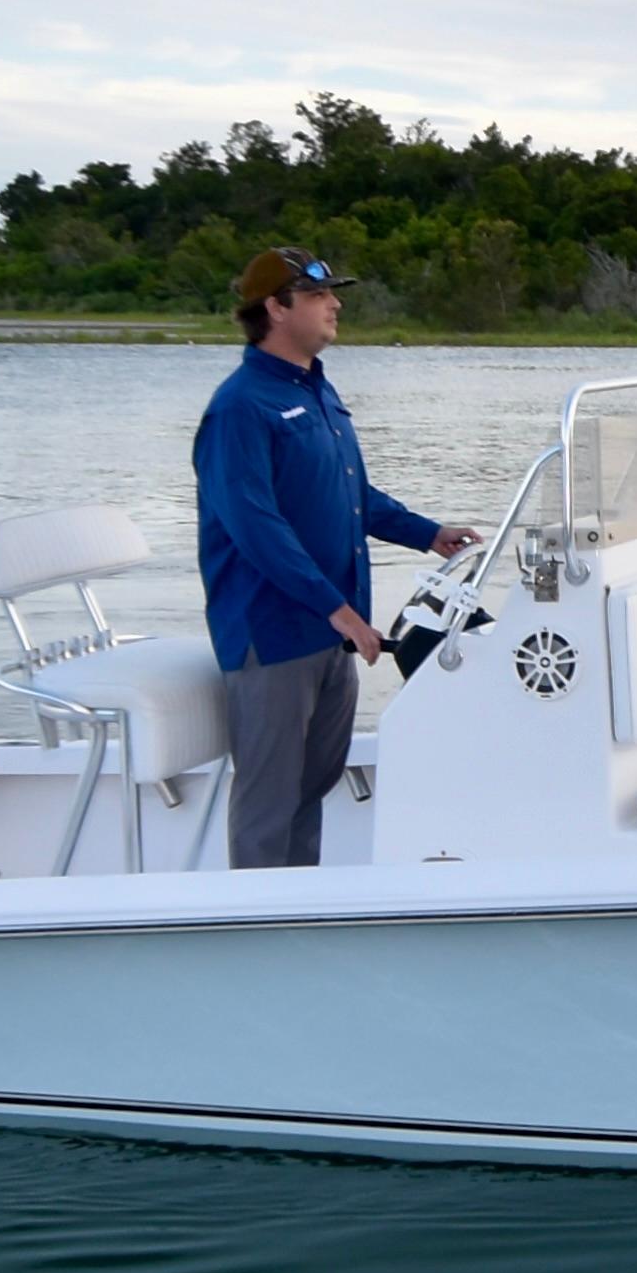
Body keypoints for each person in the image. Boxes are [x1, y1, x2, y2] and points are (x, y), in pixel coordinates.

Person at [192, 248, 477, 869]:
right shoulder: (240, 407)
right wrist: (339, 611)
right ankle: (256, 933)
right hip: (274, 635)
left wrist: (427, 533)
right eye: (320, 296)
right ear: (276, 307)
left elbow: (349, 491)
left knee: (311, 789)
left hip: (331, 632)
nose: (335, 304)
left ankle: (297, 916)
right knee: (269, 802)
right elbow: (255, 527)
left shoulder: (316, 391)